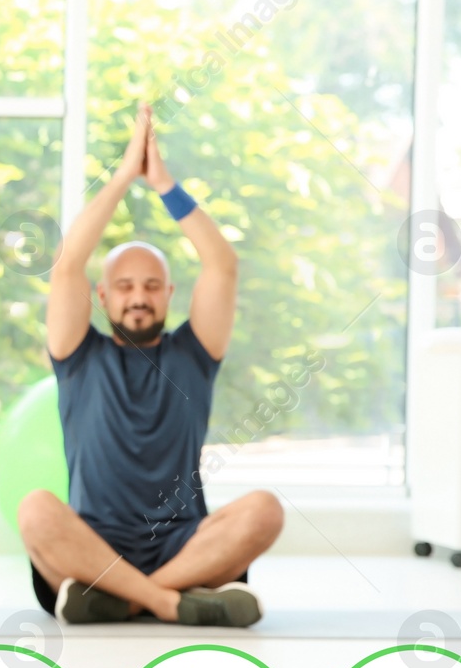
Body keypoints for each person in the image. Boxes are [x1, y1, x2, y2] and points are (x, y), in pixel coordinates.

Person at [17, 103, 284, 627]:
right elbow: (68, 261)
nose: (137, 297)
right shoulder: (77, 355)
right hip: (92, 546)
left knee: (264, 509)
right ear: (103, 295)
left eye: (150, 286)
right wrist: (123, 177)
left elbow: (222, 264)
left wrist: (163, 184)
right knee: (35, 510)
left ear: (168, 293)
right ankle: (170, 603)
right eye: (124, 286)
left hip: (185, 547)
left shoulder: (193, 354)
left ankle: (127, 598)